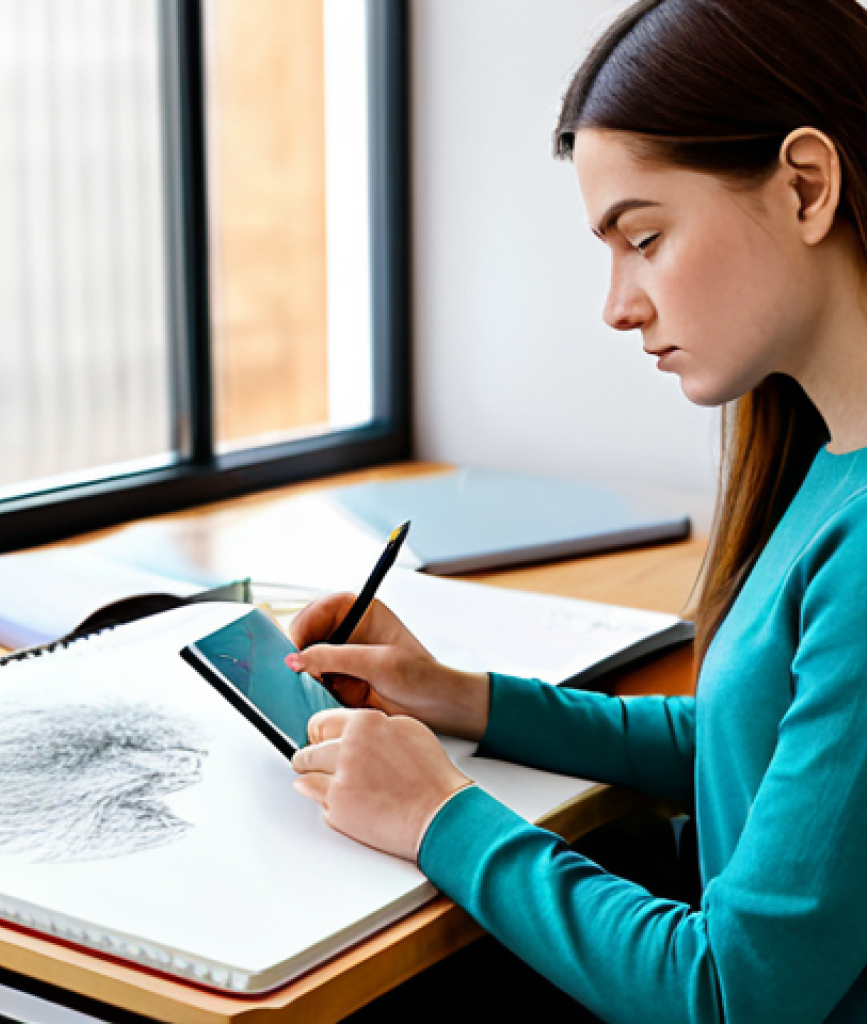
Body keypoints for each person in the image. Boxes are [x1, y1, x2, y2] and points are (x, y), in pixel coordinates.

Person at [287, 0, 867, 1020]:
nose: (617, 304)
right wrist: (459, 696)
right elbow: (747, 741)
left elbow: (734, 994)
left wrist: (438, 814)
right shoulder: (830, 468)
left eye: (644, 237)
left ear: (806, 187)